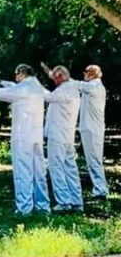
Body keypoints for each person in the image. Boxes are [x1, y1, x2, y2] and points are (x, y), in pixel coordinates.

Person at [0, 64, 50, 215]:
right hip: (36, 135)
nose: (15, 77)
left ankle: (24, 208)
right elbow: (15, 88)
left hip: (22, 136)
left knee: (22, 172)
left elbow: (1, 93)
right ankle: (42, 205)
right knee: (39, 172)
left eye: (16, 74)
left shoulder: (21, 89)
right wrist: (6, 83)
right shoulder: (37, 87)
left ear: (22, 73)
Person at [42, 65, 83, 212]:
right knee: (70, 168)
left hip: (58, 135)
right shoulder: (72, 87)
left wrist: (34, 85)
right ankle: (77, 200)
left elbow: (48, 97)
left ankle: (64, 201)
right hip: (67, 135)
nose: (53, 80)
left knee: (56, 167)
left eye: (54, 78)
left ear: (59, 77)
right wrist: (49, 72)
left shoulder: (64, 90)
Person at [75, 65, 107, 200]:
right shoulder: (91, 86)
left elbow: (77, 85)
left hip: (93, 129)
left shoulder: (94, 87)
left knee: (94, 160)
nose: (84, 73)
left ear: (92, 74)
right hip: (89, 128)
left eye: (86, 71)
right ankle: (99, 188)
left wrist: (62, 77)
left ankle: (101, 190)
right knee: (92, 160)